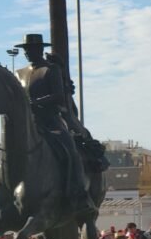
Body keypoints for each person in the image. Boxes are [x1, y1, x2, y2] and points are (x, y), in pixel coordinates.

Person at [13, 33, 94, 214]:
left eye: (30, 49)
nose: (27, 53)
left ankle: (79, 194)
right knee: (4, 152)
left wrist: (35, 103)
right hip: (27, 125)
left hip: (51, 123)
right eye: (25, 50)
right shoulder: (19, 74)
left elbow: (59, 96)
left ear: (40, 49)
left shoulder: (51, 70)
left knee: (71, 151)